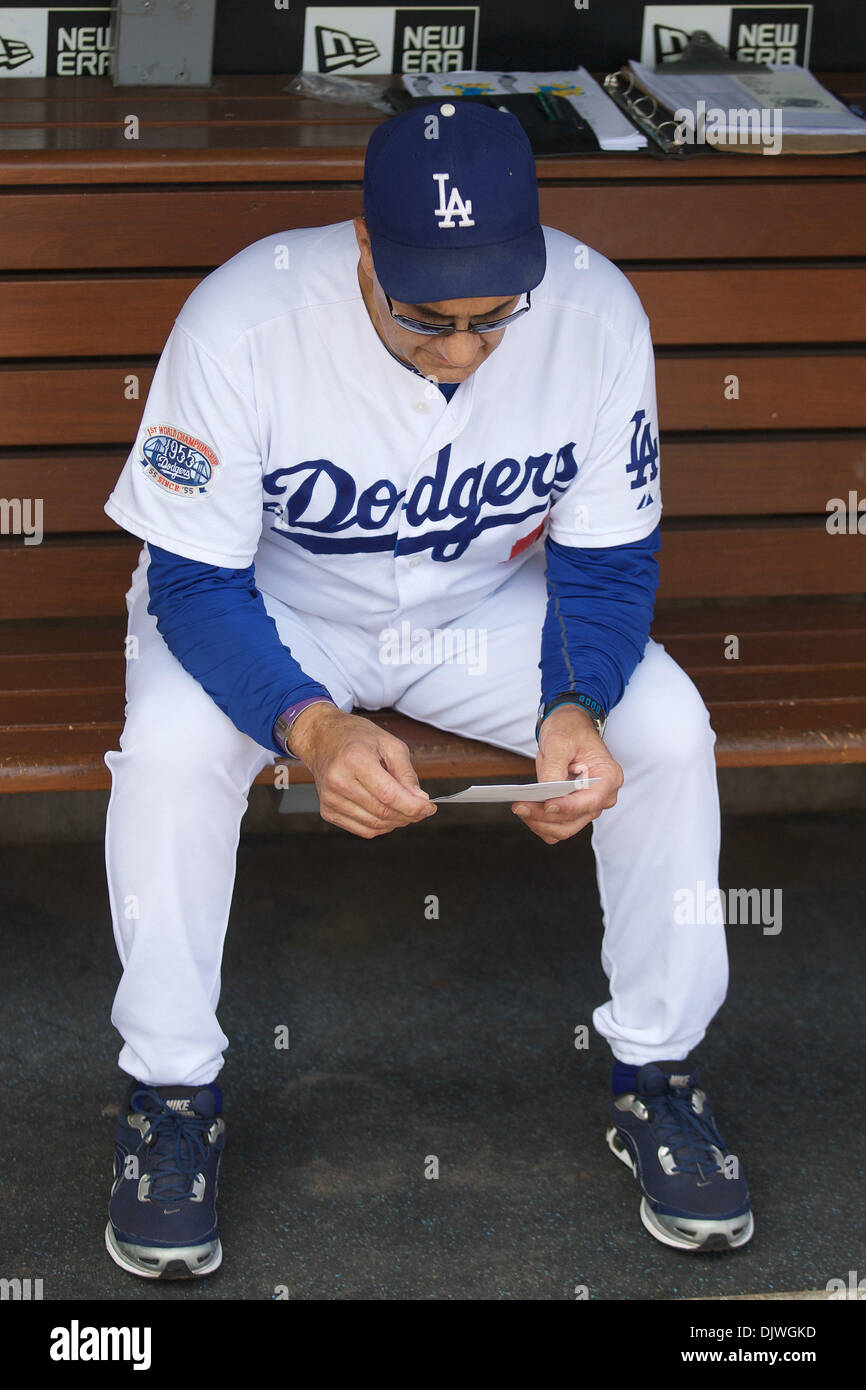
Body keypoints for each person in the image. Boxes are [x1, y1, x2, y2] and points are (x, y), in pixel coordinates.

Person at [101, 101, 752, 1280]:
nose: (461, 349)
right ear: (363, 245)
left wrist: (574, 702)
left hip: (475, 612)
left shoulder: (595, 311)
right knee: (168, 753)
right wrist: (305, 721)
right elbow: (193, 583)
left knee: (665, 731)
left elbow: (605, 562)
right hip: (270, 605)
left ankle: (655, 1069)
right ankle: (168, 1090)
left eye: (492, 314)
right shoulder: (246, 318)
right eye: (427, 316)